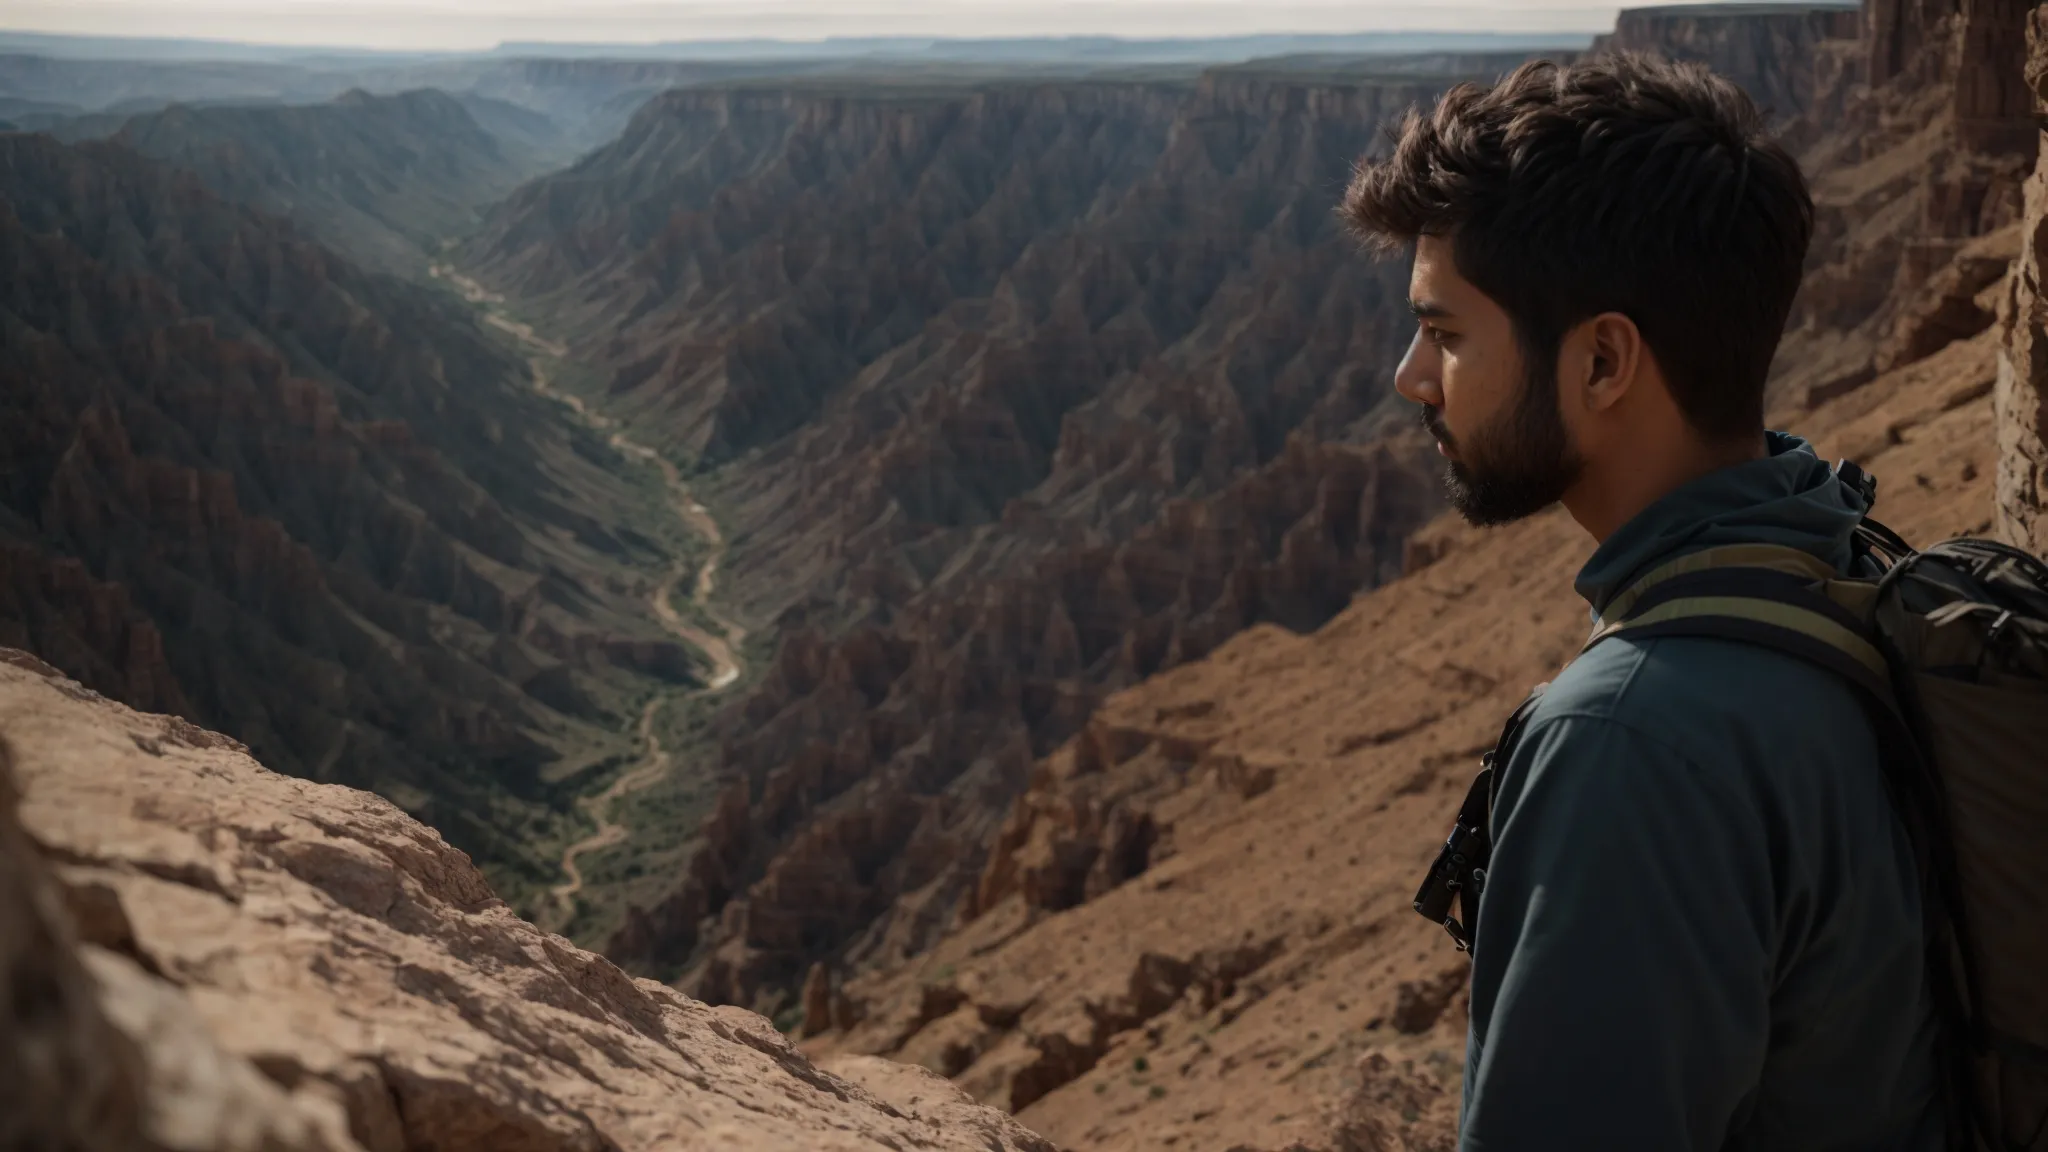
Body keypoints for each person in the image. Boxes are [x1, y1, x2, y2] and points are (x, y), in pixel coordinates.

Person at [1341, 54, 1944, 1150]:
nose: (1408, 378)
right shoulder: (1840, 567)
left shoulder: (1628, 746)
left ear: (1603, 361)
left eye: (1445, 333)